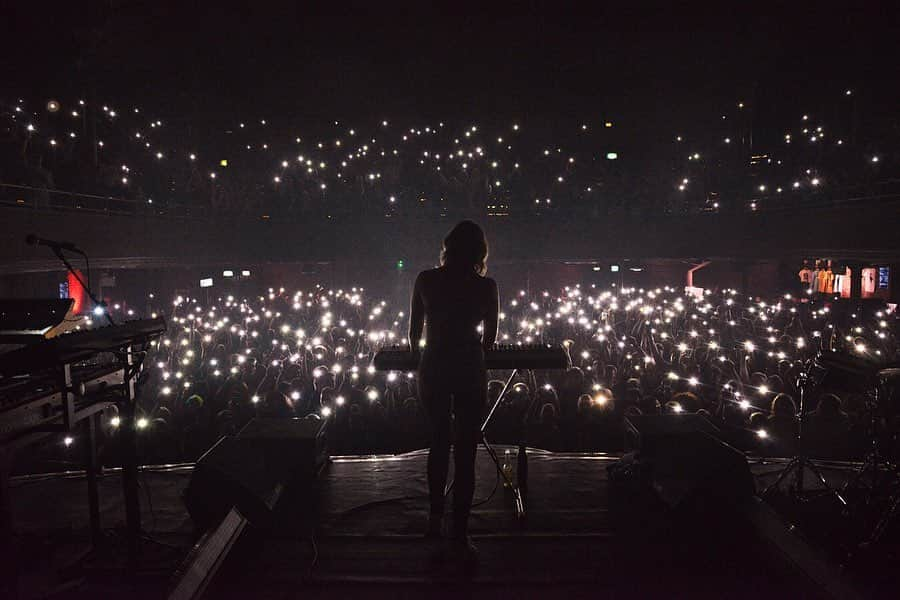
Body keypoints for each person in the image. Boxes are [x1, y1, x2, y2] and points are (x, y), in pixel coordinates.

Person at [408, 220, 499, 558]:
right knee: (465, 453)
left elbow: (414, 332)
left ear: (447, 246)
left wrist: (421, 351)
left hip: (433, 365)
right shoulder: (486, 286)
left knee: (438, 441)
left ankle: (434, 519)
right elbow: (489, 339)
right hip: (468, 367)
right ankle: (459, 532)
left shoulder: (425, 280)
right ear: (480, 251)